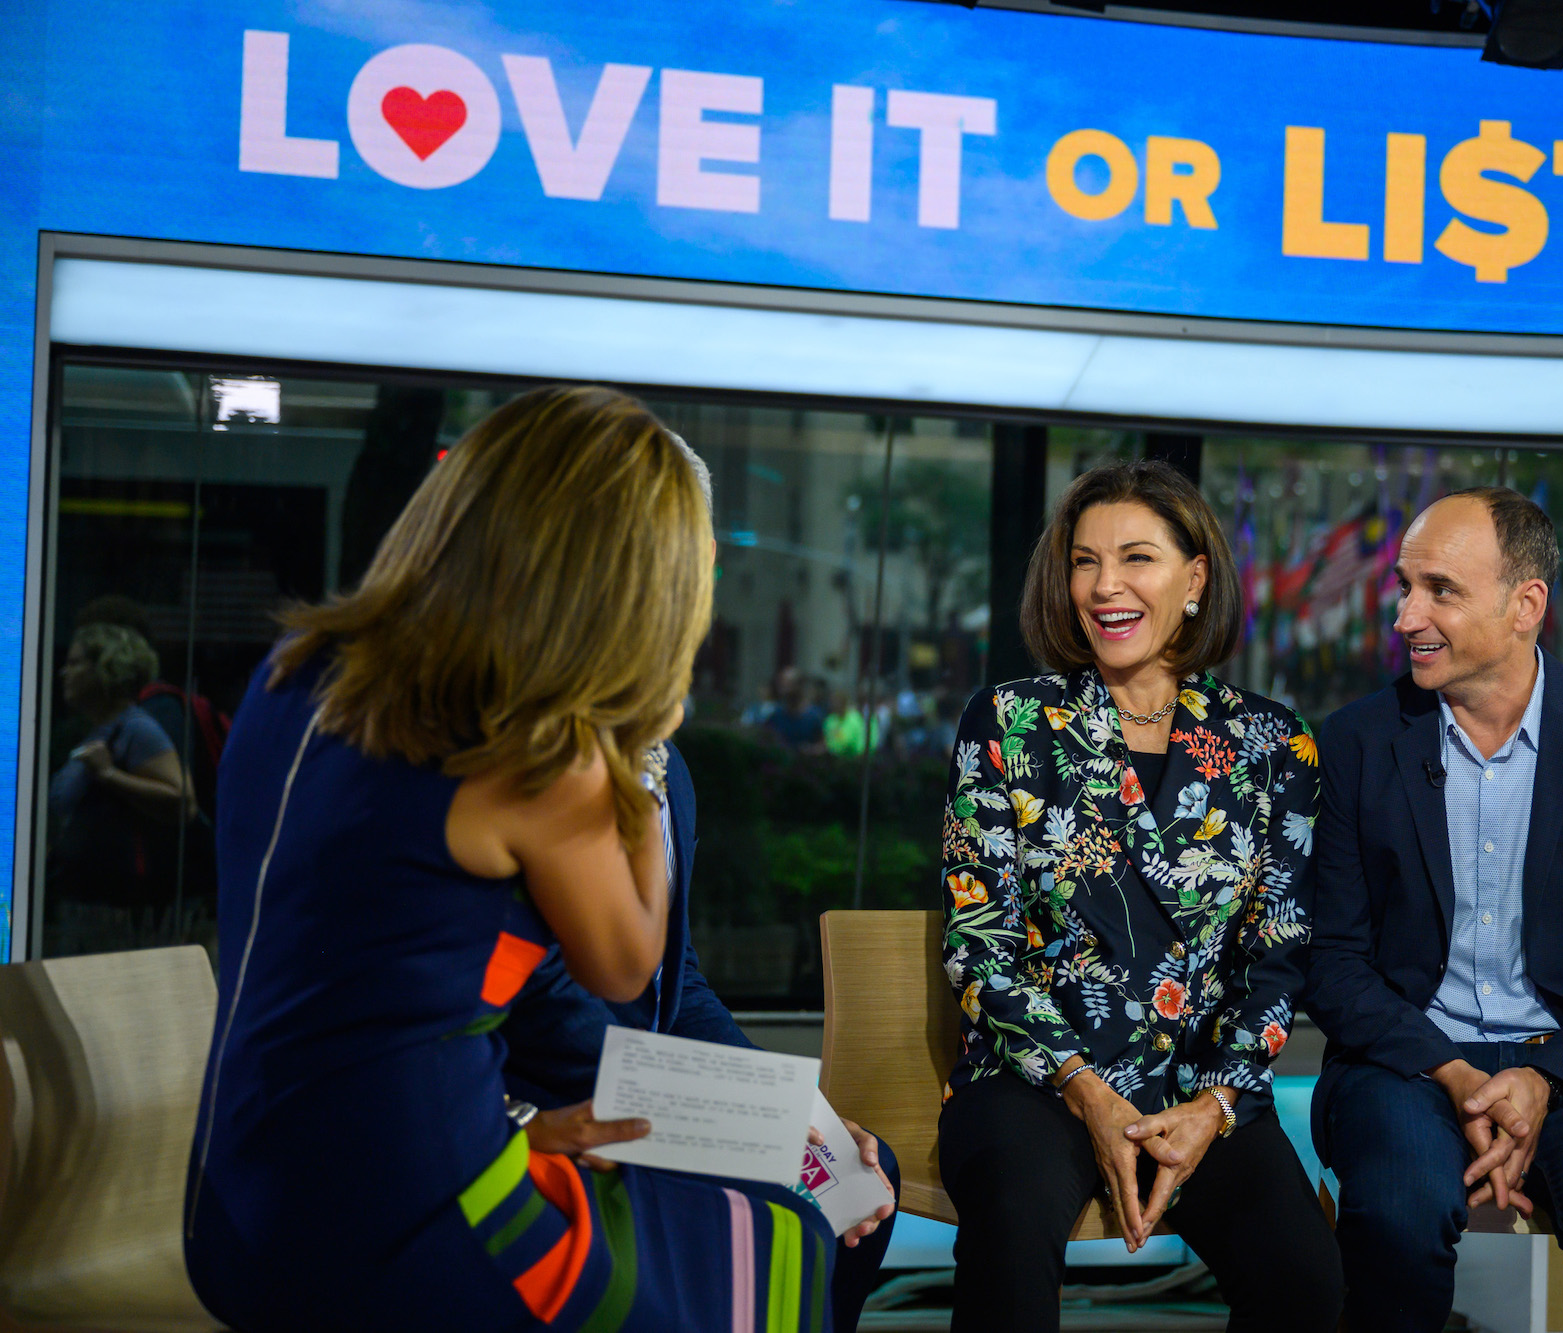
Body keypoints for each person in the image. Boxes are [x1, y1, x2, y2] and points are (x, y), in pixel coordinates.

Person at [184, 386, 835, 1332]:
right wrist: (640, 733)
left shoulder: (299, 671)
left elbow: (373, 1001)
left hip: (240, 1205)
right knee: (783, 1238)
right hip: (407, 1228)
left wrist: (527, 1125)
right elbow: (628, 959)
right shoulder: (544, 760)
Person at [495, 435, 898, 1333]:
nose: (700, 604)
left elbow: (674, 979)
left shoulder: (665, 761)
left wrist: (796, 1106)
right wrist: (725, 1110)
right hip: (557, 1103)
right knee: (787, 1201)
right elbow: (557, 997)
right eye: (686, 570)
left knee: (867, 1176)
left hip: (649, 1083)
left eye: (707, 568)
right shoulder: (533, 758)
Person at [938, 460, 1342, 1333]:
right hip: (1039, 1082)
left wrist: (1218, 1104)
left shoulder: (1275, 742)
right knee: (1009, 1230)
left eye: (1136, 558)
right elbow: (980, 940)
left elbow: (1282, 952)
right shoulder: (1007, 722)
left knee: (1307, 1280)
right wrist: (1088, 1090)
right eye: (1084, 561)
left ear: (1195, 579)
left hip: (1204, 1091)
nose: (1105, 586)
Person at [1303, 488, 1563, 1333]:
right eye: (1405, 586)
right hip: (1408, 1057)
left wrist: (1542, 1078)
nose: (1407, 614)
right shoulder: (1354, 742)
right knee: (1393, 1222)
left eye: (1440, 589)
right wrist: (1459, 1076)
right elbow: (1333, 964)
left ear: (1526, 605)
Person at [45, 622, 195, 951]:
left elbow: (183, 799)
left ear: (106, 669)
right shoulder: (99, 732)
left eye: (75, 663)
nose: (63, 673)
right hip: (85, 907)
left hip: (117, 917)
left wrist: (109, 775)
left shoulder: (135, 728)